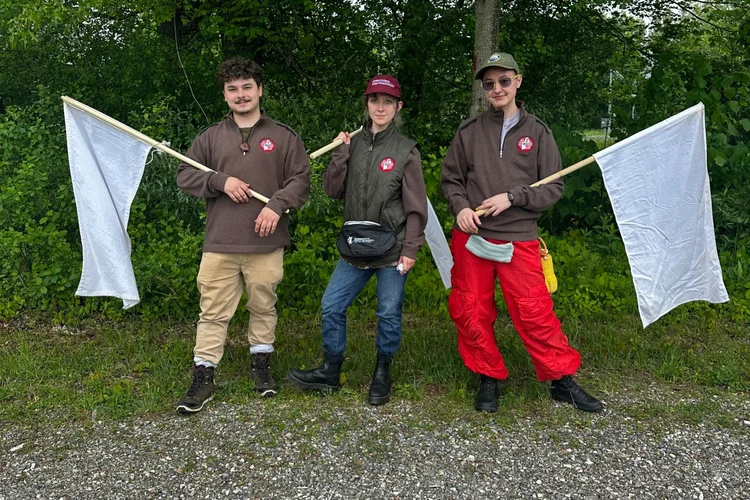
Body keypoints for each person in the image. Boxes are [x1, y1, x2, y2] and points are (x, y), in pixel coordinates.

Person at [441, 52, 603, 413]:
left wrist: (514, 197)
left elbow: (553, 188)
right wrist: (461, 208)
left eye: (503, 81)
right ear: (484, 90)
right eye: (489, 84)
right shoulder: (468, 132)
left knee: (534, 310)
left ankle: (561, 381)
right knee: (471, 309)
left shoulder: (538, 133)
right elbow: (451, 180)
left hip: (519, 237)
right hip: (473, 236)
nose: (496, 88)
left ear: (517, 81)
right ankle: (488, 377)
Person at [175, 57, 310, 414]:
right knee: (213, 310)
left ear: (259, 90)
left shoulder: (283, 136)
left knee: (263, 305)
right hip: (220, 242)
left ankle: (261, 366)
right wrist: (220, 181)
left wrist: (276, 205)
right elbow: (185, 175)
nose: (241, 94)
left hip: (266, 242)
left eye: (247, 87)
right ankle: (203, 375)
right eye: (232, 89)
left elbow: (300, 181)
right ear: (224, 95)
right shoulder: (209, 138)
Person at [287, 75, 428, 405]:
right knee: (332, 305)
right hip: (355, 245)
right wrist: (340, 154)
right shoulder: (351, 143)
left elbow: (416, 206)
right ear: (366, 104)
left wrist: (411, 248)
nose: (380, 107)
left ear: (398, 107)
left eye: (388, 101)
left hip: (392, 247)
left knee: (388, 312)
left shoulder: (406, 151)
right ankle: (330, 371)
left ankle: (382, 372)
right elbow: (333, 191)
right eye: (374, 100)